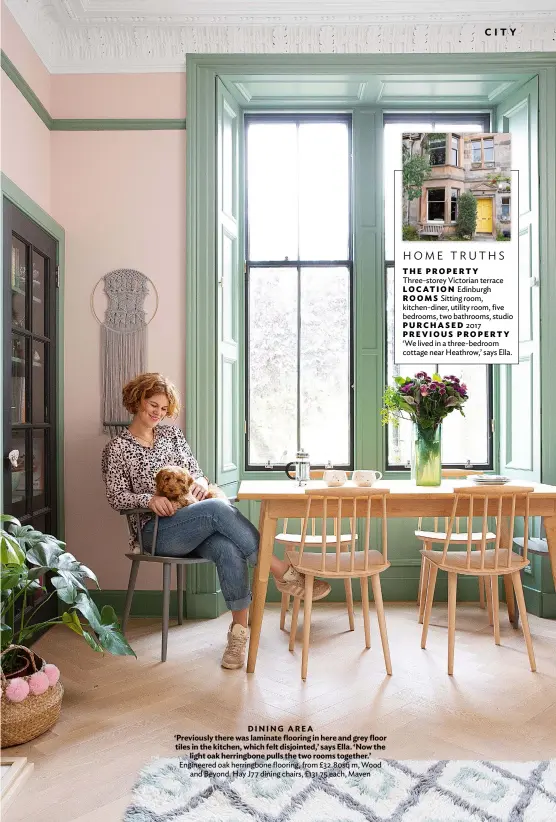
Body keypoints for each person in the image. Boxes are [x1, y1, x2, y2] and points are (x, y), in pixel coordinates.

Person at [101, 372, 331, 670]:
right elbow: (115, 496)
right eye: (152, 404)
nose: (158, 412)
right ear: (137, 401)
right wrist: (148, 499)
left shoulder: (172, 436)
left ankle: (238, 635)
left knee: (227, 546)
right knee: (218, 509)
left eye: (163, 407)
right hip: (156, 532)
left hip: (192, 523)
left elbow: (197, 472)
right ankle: (282, 571)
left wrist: (198, 482)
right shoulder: (117, 448)